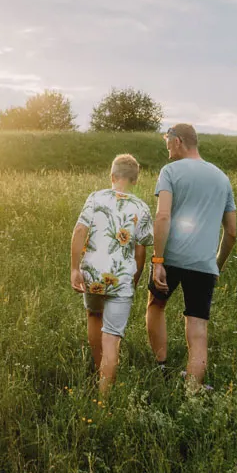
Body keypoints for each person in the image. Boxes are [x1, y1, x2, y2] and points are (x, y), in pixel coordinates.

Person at [147, 123, 237, 390]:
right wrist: (216, 265)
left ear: (178, 141)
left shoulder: (170, 172)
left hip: (171, 258)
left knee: (156, 305)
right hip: (204, 266)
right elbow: (231, 232)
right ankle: (193, 392)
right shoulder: (222, 178)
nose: (166, 148)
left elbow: (163, 216)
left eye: (167, 141)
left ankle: (161, 368)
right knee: (198, 330)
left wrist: (158, 261)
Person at [70, 153, 154, 395]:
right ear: (135, 180)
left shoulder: (95, 198)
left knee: (94, 316)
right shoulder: (141, 207)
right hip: (121, 278)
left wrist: (75, 268)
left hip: (93, 274)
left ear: (112, 176)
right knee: (112, 337)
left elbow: (79, 231)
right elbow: (140, 251)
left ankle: (98, 370)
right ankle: (104, 397)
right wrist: (133, 282)